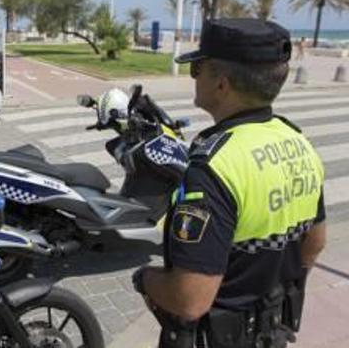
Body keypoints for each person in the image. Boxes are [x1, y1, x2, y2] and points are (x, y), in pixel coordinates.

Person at [131, 19, 326, 347]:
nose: (194, 78)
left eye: (197, 69)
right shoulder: (297, 142)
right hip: (272, 330)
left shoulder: (215, 167)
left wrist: (145, 279)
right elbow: (315, 242)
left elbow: (190, 299)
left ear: (221, 83)